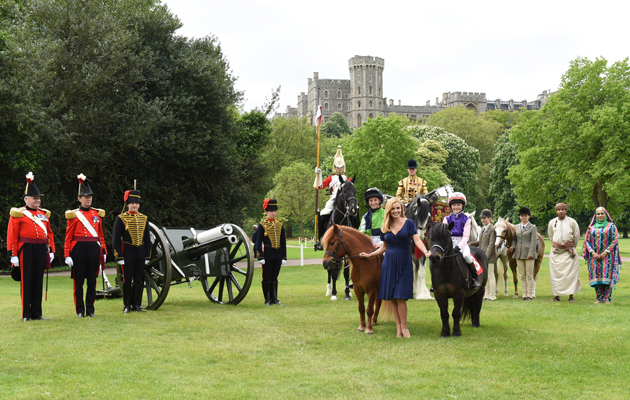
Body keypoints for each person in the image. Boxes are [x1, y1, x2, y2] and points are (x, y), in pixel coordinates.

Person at [359, 197, 430, 338]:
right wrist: (369, 255)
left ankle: (405, 328)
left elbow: (417, 240)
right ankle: (398, 329)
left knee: (401, 296)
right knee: (392, 297)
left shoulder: (409, 223)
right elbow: (383, 247)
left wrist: (426, 251)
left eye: (398, 208)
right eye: (393, 208)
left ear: (401, 209)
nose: (396, 211)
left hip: (404, 261)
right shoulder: (385, 227)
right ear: (389, 210)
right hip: (389, 262)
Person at [6, 172, 55, 321]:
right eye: (34, 198)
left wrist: (51, 250)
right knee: (26, 281)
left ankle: (37, 313)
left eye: (38, 198)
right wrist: (13, 254)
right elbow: (12, 234)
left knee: (38, 281)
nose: (37, 201)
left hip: (40, 249)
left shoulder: (43, 215)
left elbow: (49, 233)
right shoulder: (19, 214)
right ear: (26, 199)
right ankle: (26, 314)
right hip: (25, 249)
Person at [64, 174, 107, 318]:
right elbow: (68, 237)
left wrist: (104, 252)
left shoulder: (97, 214)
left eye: (90, 197)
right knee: (79, 282)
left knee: (92, 281)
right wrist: (67, 254)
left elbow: (100, 235)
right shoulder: (74, 215)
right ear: (79, 199)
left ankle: (90, 309)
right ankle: (80, 310)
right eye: (85, 197)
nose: (88, 199)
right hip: (79, 249)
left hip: (94, 249)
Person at [112, 189, 151, 314]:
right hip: (128, 250)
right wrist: (119, 256)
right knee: (127, 278)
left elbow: (147, 238)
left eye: (137, 203)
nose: (134, 205)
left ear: (139, 205)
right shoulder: (121, 218)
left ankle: (137, 305)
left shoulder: (144, 218)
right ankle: (127, 305)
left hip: (140, 251)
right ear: (128, 204)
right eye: (132, 203)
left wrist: (147, 255)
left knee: (139, 279)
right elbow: (116, 239)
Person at [314, 145, 350, 249]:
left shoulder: (347, 179)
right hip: (332, 200)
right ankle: (321, 238)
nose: (339, 169)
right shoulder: (330, 178)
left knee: (355, 211)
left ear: (344, 167)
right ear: (335, 167)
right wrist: (319, 175)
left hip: (344, 201)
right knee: (323, 214)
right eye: (337, 167)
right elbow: (319, 186)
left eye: (341, 167)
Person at [583, 207, 622, 303]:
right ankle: (599, 298)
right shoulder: (591, 227)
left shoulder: (611, 226)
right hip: (594, 257)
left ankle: (607, 298)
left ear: (606, 215)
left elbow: (614, 240)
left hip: (608, 256)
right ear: (595, 216)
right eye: (598, 214)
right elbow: (587, 241)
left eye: (602, 214)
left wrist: (605, 252)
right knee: (597, 277)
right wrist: (592, 252)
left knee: (607, 276)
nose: (600, 216)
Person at [442, 192, 479, 289]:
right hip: (449, 243)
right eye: (454, 205)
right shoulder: (446, 219)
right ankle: (437, 282)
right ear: (451, 206)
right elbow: (444, 233)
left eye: (458, 205)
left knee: (466, 256)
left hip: (461, 243)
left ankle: (474, 277)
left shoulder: (467, 219)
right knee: (439, 257)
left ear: (463, 206)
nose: (456, 207)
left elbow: (466, 236)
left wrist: (459, 247)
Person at [255, 199, 287, 306]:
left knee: (275, 276)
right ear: (267, 212)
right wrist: (260, 256)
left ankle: (275, 299)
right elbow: (258, 242)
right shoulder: (262, 225)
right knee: (266, 276)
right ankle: (267, 299)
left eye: (274, 211)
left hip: (278, 254)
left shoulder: (280, 225)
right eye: (271, 211)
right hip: (267, 253)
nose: (273, 213)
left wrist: (284, 256)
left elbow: (283, 242)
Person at [548, 203, 581, 302]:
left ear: (566, 210)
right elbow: (550, 235)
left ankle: (571, 296)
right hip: (556, 253)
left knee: (571, 275)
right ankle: (557, 296)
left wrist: (570, 247)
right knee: (556, 275)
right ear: (556, 211)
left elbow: (576, 235)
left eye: (563, 209)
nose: (561, 211)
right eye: (558, 210)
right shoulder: (552, 222)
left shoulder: (572, 222)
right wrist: (557, 245)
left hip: (569, 253)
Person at [509, 206, 538, 301]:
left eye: (525, 216)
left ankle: (530, 294)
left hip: (529, 254)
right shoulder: (516, 227)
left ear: (528, 216)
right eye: (521, 216)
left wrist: (531, 253)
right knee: (522, 275)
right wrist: (512, 246)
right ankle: (524, 294)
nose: (523, 217)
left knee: (529, 275)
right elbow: (514, 239)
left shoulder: (532, 227)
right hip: (518, 253)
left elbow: (533, 242)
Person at [469, 209, 497, 300]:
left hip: (489, 256)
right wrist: (471, 244)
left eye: (485, 218)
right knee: (484, 276)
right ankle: (487, 294)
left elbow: (491, 244)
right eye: (482, 218)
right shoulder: (482, 229)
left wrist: (486, 256)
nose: (483, 220)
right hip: (481, 256)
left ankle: (492, 295)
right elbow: (480, 242)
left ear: (490, 218)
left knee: (490, 275)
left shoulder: (492, 229)